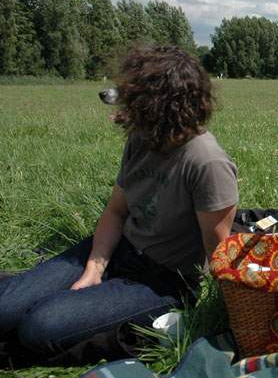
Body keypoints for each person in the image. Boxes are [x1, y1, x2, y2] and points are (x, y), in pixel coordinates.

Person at [0, 46, 239, 365]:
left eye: (134, 98)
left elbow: (219, 252)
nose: (119, 109)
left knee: (39, 327)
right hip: (117, 248)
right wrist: (93, 269)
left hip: (161, 280)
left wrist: (225, 318)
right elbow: (116, 212)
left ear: (164, 107)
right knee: (4, 309)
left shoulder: (206, 163)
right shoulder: (142, 139)